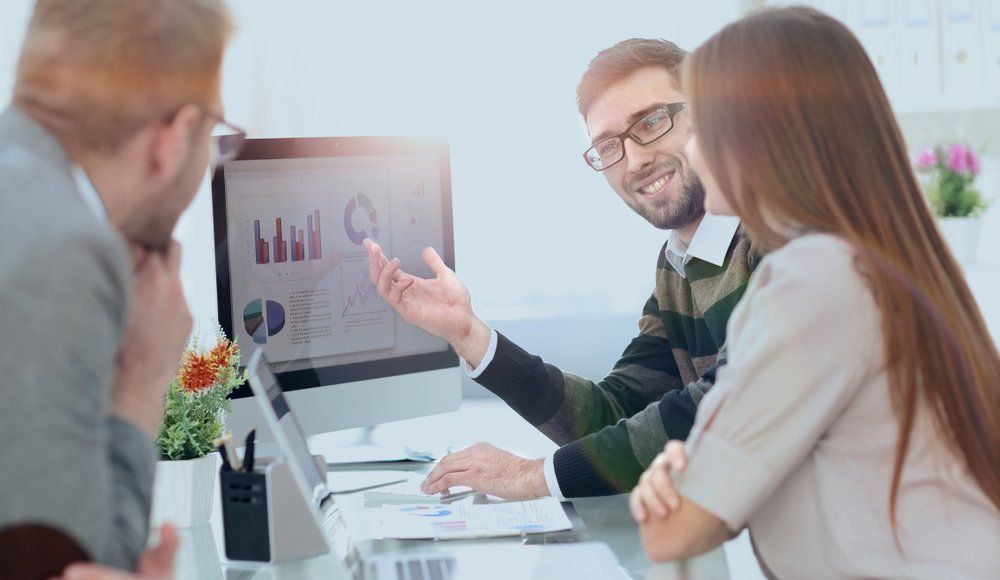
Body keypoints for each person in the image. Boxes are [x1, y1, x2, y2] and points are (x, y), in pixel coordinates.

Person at [628, 7, 1000, 577]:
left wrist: (670, 484)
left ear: (754, 137)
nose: (694, 152)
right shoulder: (869, 258)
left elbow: (675, 529)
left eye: (701, 128)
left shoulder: (812, 278)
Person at [364, 38, 762, 500]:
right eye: (608, 146)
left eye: (652, 121)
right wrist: (469, 334)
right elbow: (612, 416)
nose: (634, 161)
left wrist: (535, 476)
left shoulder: (779, 240)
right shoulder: (678, 263)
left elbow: (729, 402)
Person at [0, 0, 235, 574]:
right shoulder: (67, 248)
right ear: (174, 138)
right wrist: (144, 377)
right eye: (213, 130)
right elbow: (80, 563)